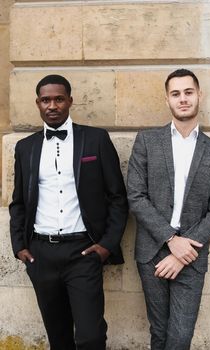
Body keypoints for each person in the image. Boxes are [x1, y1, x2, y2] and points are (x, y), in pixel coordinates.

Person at [9, 74, 128, 350]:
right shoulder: (25, 147)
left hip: (83, 253)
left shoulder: (96, 139)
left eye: (59, 99)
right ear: (38, 103)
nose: (52, 105)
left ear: (70, 101)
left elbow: (118, 198)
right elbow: (18, 202)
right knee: (58, 338)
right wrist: (20, 246)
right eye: (46, 100)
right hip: (41, 254)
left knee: (91, 336)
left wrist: (106, 246)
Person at [127, 69, 210, 350]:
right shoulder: (147, 142)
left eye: (188, 92)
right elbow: (136, 196)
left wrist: (183, 253)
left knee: (181, 337)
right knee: (159, 333)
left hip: (192, 256)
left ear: (199, 96)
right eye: (176, 94)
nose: (182, 99)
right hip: (152, 253)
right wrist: (171, 240)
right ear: (167, 99)